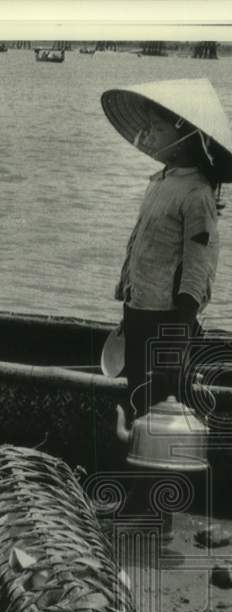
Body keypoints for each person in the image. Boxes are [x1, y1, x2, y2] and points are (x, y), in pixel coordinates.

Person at [102, 79, 232, 419]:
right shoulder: (161, 182)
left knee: (160, 404)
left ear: (186, 137)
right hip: (140, 311)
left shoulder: (196, 194)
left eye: (157, 128)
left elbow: (197, 268)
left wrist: (178, 333)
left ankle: (153, 463)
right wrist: (126, 306)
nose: (150, 135)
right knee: (137, 398)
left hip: (167, 320)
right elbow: (139, 250)